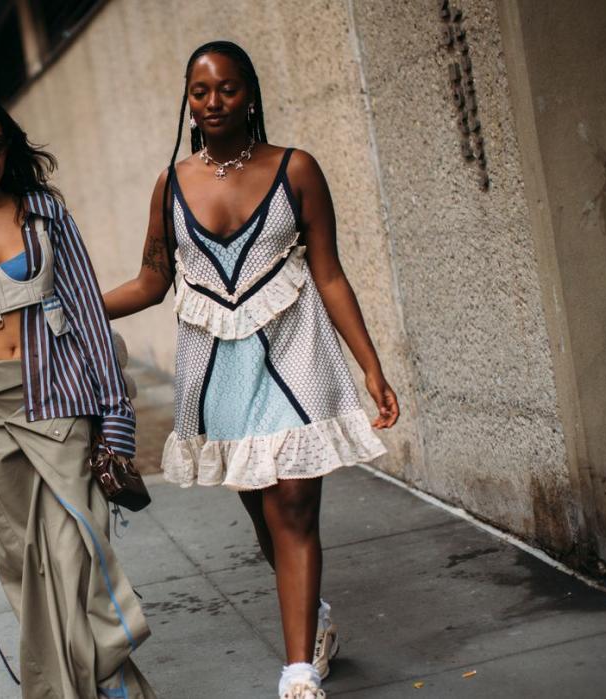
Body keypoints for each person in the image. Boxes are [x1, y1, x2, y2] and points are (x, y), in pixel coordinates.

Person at [102, 41, 399, 699]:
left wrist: (371, 367)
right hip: (218, 369)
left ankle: (297, 672)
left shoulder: (297, 169)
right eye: (201, 91)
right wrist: (74, 304)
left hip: (297, 352)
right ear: (189, 98)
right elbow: (152, 281)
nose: (214, 102)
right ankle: (313, 616)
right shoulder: (170, 183)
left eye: (228, 89)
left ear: (251, 94)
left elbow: (330, 273)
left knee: (295, 501)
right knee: (265, 512)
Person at [0, 93, 155, 698]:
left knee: (75, 555)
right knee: (25, 567)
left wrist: (115, 416)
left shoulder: (45, 214)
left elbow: (89, 316)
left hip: (59, 398)